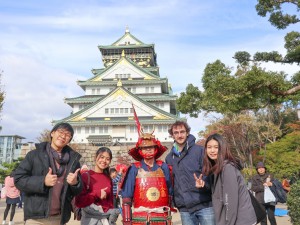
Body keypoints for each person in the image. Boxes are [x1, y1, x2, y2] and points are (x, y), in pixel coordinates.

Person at [14, 122, 83, 225]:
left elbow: (78, 191)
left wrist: (75, 183)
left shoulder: (73, 161)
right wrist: (43, 181)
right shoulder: (34, 155)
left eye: (68, 135)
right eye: (60, 132)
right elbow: (18, 179)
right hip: (36, 218)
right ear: (52, 133)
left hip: (59, 218)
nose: (63, 136)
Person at [199, 133, 256, 225]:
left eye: (216, 147)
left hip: (240, 220)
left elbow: (230, 201)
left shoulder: (227, 168)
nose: (212, 150)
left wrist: (229, 223)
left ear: (222, 148)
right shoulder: (217, 168)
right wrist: (204, 185)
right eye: (209, 147)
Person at [165, 121, 215, 225]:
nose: (180, 135)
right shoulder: (169, 158)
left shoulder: (199, 151)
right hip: (184, 208)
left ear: (187, 133)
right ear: (172, 135)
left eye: (182, 132)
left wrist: (204, 182)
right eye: (176, 133)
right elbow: (171, 182)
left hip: (204, 204)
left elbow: (209, 173)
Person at [121, 130, 173, 225]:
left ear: (155, 148)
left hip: (162, 217)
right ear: (140, 150)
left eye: (151, 147)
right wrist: (127, 220)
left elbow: (169, 191)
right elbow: (126, 197)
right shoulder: (134, 168)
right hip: (140, 219)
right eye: (145, 148)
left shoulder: (164, 167)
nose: (148, 149)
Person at [75, 147, 120, 225]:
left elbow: (110, 203)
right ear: (95, 157)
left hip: (106, 220)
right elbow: (79, 202)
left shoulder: (108, 178)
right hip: (91, 220)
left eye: (107, 159)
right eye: (101, 157)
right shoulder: (86, 176)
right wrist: (97, 194)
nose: (104, 161)